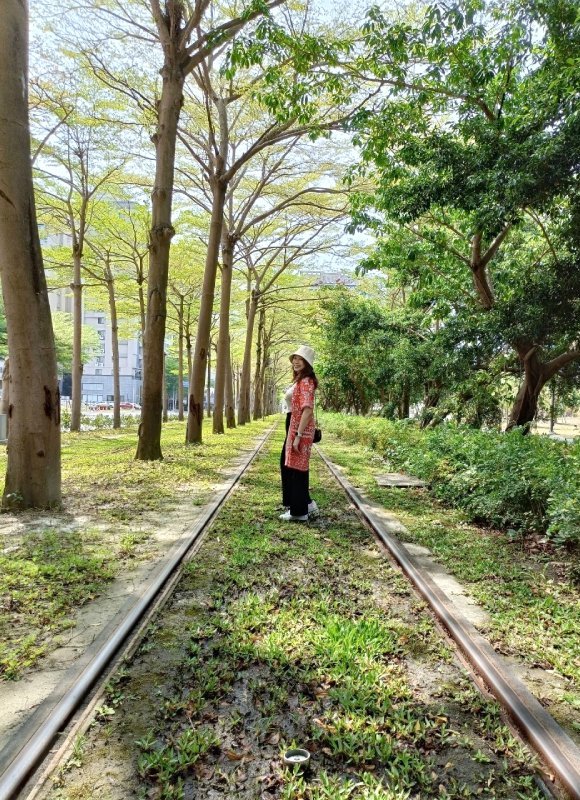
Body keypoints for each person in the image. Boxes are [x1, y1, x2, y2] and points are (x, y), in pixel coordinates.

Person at [280, 345, 319, 521]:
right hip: (294, 424)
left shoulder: (305, 382)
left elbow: (308, 410)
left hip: (299, 427)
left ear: (307, 363)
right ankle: (306, 503)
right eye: (294, 358)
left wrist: (298, 435)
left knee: (294, 467)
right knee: (293, 465)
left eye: (300, 359)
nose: (296, 361)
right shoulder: (301, 380)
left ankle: (299, 512)